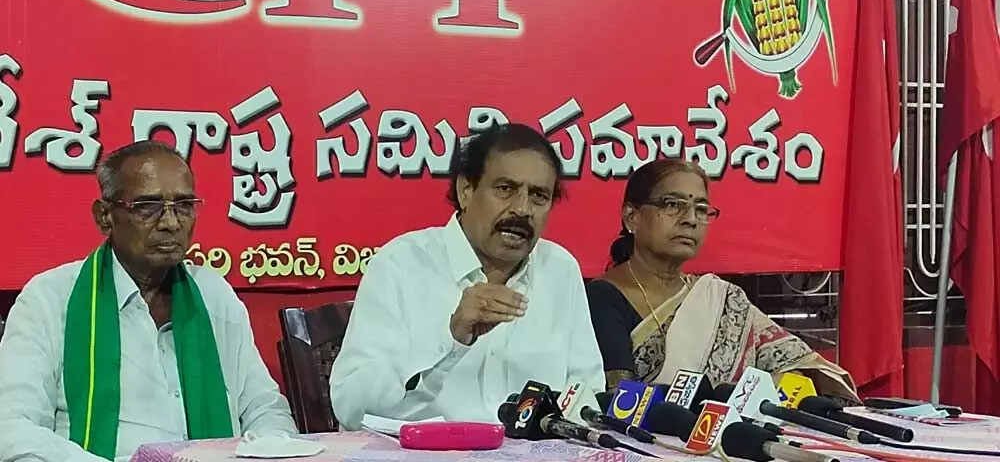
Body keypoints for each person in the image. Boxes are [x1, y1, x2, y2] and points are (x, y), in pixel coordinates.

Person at [0, 141, 297, 462]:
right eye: (147, 207)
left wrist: (270, 449)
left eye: (183, 205)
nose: (170, 222)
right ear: (104, 217)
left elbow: (265, 408)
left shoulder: (214, 296)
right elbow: (12, 427)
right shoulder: (50, 299)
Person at [330, 123, 604, 430]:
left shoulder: (559, 269)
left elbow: (586, 393)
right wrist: (452, 336)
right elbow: (352, 407)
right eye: (505, 189)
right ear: (466, 190)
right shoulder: (401, 264)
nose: (522, 209)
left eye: (539, 196)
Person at [586, 158, 858, 401]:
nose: (690, 219)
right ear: (631, 216)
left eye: (701, 209)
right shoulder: (603, 297)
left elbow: (800, 366)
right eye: (672, 205)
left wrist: (773, 389)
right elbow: (620, 401)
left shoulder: (722, 299)